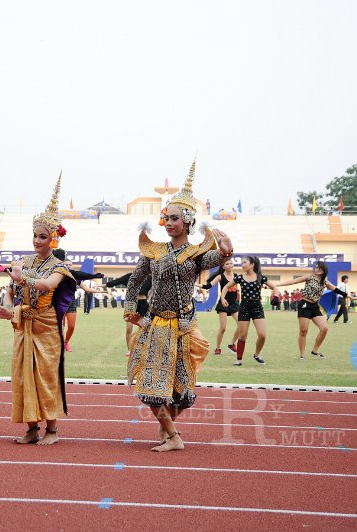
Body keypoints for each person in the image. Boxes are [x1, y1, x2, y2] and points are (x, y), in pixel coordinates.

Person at [123, 160, 233, 451]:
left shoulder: (197, 254)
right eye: (166, 218)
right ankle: (173, 437)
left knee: (183, 392)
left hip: (184, 326)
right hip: (156, 324)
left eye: (174, 218)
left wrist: (226, 252)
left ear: (187, 221)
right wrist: (130, 309)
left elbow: (217, 261)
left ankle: (168, 428)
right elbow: (134, 282)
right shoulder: (154, 251)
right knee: (149, 389)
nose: (169, 223)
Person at [0, 174, 76, 445]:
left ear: (53, 239)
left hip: (47, 328)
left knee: (45, 378)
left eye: (42, 236)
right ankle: (31, 428)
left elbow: (48, 285)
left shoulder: (60, 267)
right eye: (35, 235)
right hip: (23, 325)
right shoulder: (22, 261)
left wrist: (22, 278)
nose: (37, 240)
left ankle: (52, 430)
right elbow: (10, 293)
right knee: (23, 378)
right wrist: (6, 310)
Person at [272, 261, 347, 359]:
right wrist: (277, 285)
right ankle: (302, 354)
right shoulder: (309, 277)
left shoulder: (325, 282)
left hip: (315, 306)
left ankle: (315, 350)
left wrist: (350, 296)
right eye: (316, 267)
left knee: (324, 328)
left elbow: (336, 290)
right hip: (304, 305)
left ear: (324, 270)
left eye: (319, 267)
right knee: (303, 331)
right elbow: (293, 281)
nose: (317, 269)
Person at [220, 256, 280, 365]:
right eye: (242, 262)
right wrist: (222, 298)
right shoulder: (239, 277)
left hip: (257, 307)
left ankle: (257, 354)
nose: (242, 264)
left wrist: (276, 297)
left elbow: (275, 287)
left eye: (245, 262)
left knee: (262, 335)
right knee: (243, 336)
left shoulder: (260, 277)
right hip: (244, 308)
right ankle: (239, 360)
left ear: (252, 264)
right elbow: (225, 287)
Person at [51, 248, 106, 352]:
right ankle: (59, 343)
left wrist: (99, 291)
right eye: (66, 264)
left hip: (71, 302)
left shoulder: (74, 277)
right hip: (58, 303)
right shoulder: (56, 273)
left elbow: (86, 288)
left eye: (69, 265)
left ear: (72, 266)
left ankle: (66, 341)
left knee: (71, 326)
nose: (67, 266)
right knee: (59, 326)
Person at [106, 268, 151, 356]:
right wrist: (103, 285)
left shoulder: (149, 278)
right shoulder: (130, 276)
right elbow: (116, 281)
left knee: (141, 328)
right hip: (131, 304)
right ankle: (129, 350)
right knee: (129, 329)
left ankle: (139, 349)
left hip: (143, 304)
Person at [201, 258, 240, 355]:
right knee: (223, 328)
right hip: (223, 303)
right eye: (227, 264)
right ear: (223, 266)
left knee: (241, 325)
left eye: (231, 263)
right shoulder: (220, 277)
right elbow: (208, 286)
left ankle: (232, 344)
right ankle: (218, 348)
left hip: (234, 304)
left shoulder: (236, 276)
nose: (230, 265)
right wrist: (196, 285)